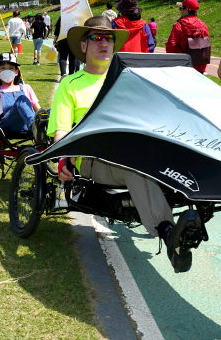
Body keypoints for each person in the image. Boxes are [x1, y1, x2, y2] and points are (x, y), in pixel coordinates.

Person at [49, 15, 199, 273]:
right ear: (83, 46)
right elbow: (62, 129)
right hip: (94, 158)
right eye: (96, 38)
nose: (104, 42)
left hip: (131, 149)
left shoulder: (127, 80)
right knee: (135, 165)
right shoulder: (70, 85)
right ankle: (168, 233)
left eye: (108, 38)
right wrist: (64, 159)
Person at [0, 53, 41, 133]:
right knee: (22, 99)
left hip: (26, 122)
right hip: (8, 124)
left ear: (16, 72)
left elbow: (39, 110)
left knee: (52, 111)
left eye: (11, 68)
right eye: (3, 68)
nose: (7, 72)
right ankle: (35, 125)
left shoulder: (26, 88)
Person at [166, 0, 210, 73]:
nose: (180, 10)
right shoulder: (203, 25)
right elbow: (205, 46)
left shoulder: (179, 25)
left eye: (181, 8)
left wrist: (170, 63)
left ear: (186, 9)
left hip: (181, 66)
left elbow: (172, 46)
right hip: (199, 66)